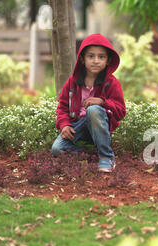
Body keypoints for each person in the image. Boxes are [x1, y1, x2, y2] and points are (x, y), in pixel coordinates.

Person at [51, 33, 126, 173]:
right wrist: (64, 125)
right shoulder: (72, 82)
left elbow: (121, 111)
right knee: (57, 149)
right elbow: (62, 107)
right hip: (77, 127)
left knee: (93, 110)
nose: (96, 61)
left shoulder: (112, 83)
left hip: (99, 128)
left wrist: (103, 102)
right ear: (82, 59)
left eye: (101, 57)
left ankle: (106, 157)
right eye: (91, 56)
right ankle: (90, 154)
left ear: (108, 60)